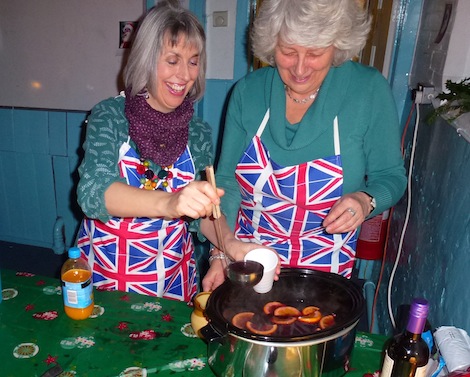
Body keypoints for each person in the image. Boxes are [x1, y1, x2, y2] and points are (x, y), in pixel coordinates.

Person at [201, 0, 407, 291]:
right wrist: (221, 252)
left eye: (314, 53)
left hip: (325, 274)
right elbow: (225, 184)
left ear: (337, 45)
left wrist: (365, 200)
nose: (299, 67)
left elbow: (391, 176)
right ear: (272, 44)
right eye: (288, 51)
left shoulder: (367, 91)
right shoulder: (247, 93)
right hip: (250, 262)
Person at [76, 0, 221, 302]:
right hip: (109, 278)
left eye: (193, 61)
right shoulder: (111, 117)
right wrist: (171, 203)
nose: (184, 75)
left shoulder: (198, 132)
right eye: (172, 60)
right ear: (145, 59)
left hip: (175, 280)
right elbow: (93, 194)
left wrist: (229, 248)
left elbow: (205, 215)